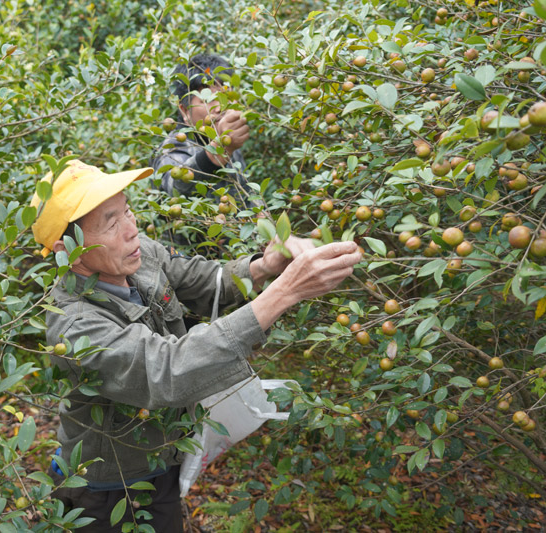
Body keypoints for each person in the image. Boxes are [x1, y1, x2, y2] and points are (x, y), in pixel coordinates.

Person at [31, 159, 362, 531]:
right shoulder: (74, 325)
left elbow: (205, 279)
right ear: (67, 248)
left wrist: (265, 267)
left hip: (163, 459)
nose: (131, 229)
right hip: (110, 489)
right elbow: (164, 370)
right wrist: (285, 292)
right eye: (110, 222)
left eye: (127, 211)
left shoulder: (138, 258)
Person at [150, 54, 253, 207]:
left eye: (226, 96)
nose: (220, 107)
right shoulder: (171, 148)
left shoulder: (231, 143)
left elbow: (247, 196)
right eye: (207, 100)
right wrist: (219, 150)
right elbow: (176, 191)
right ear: (185, 111)